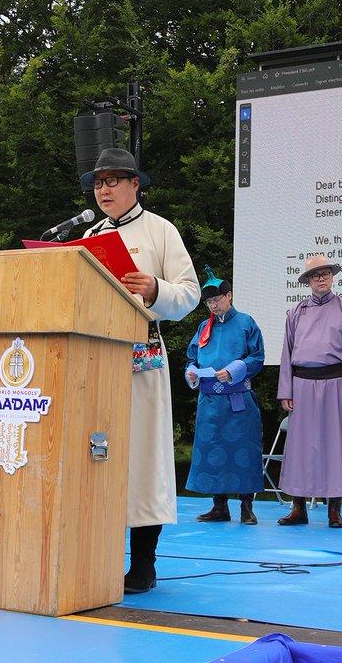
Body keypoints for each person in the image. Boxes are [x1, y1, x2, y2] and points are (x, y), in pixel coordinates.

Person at [81, 148, 199, 593]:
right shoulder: (89, 235)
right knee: (97, 456)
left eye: (113, 180)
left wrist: (154, 289)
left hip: (140, 358)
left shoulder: (160, 230)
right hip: (94, 359)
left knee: (143, 457)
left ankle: (143, 564)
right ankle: (96, 556)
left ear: (135, 185)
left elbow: (189, 293)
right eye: (98, 182)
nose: (104, 189)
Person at [275, 254, 342, 529]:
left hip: (336, 384)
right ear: (308, 281)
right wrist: (286, 390)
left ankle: (334, 509)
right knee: (300, 448)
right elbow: (287, 352)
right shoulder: (296, 311)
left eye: (325, 273)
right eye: (315, 275)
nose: (321, 278)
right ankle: (298, 507)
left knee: (336, 447)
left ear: (332, 276)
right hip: (301, 384)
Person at [183, 266, 265, 525]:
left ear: (229, 295)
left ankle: (246, 507)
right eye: (208, 302)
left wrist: (233, 370)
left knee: (244, 452)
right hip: (209, 401)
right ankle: (219, 506)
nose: (213, 305)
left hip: (238, 399)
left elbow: (257, 357)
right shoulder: (203, 327)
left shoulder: (246, 322)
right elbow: (192, 357)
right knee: (213, 451)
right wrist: (191, 373)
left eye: (216, 300)